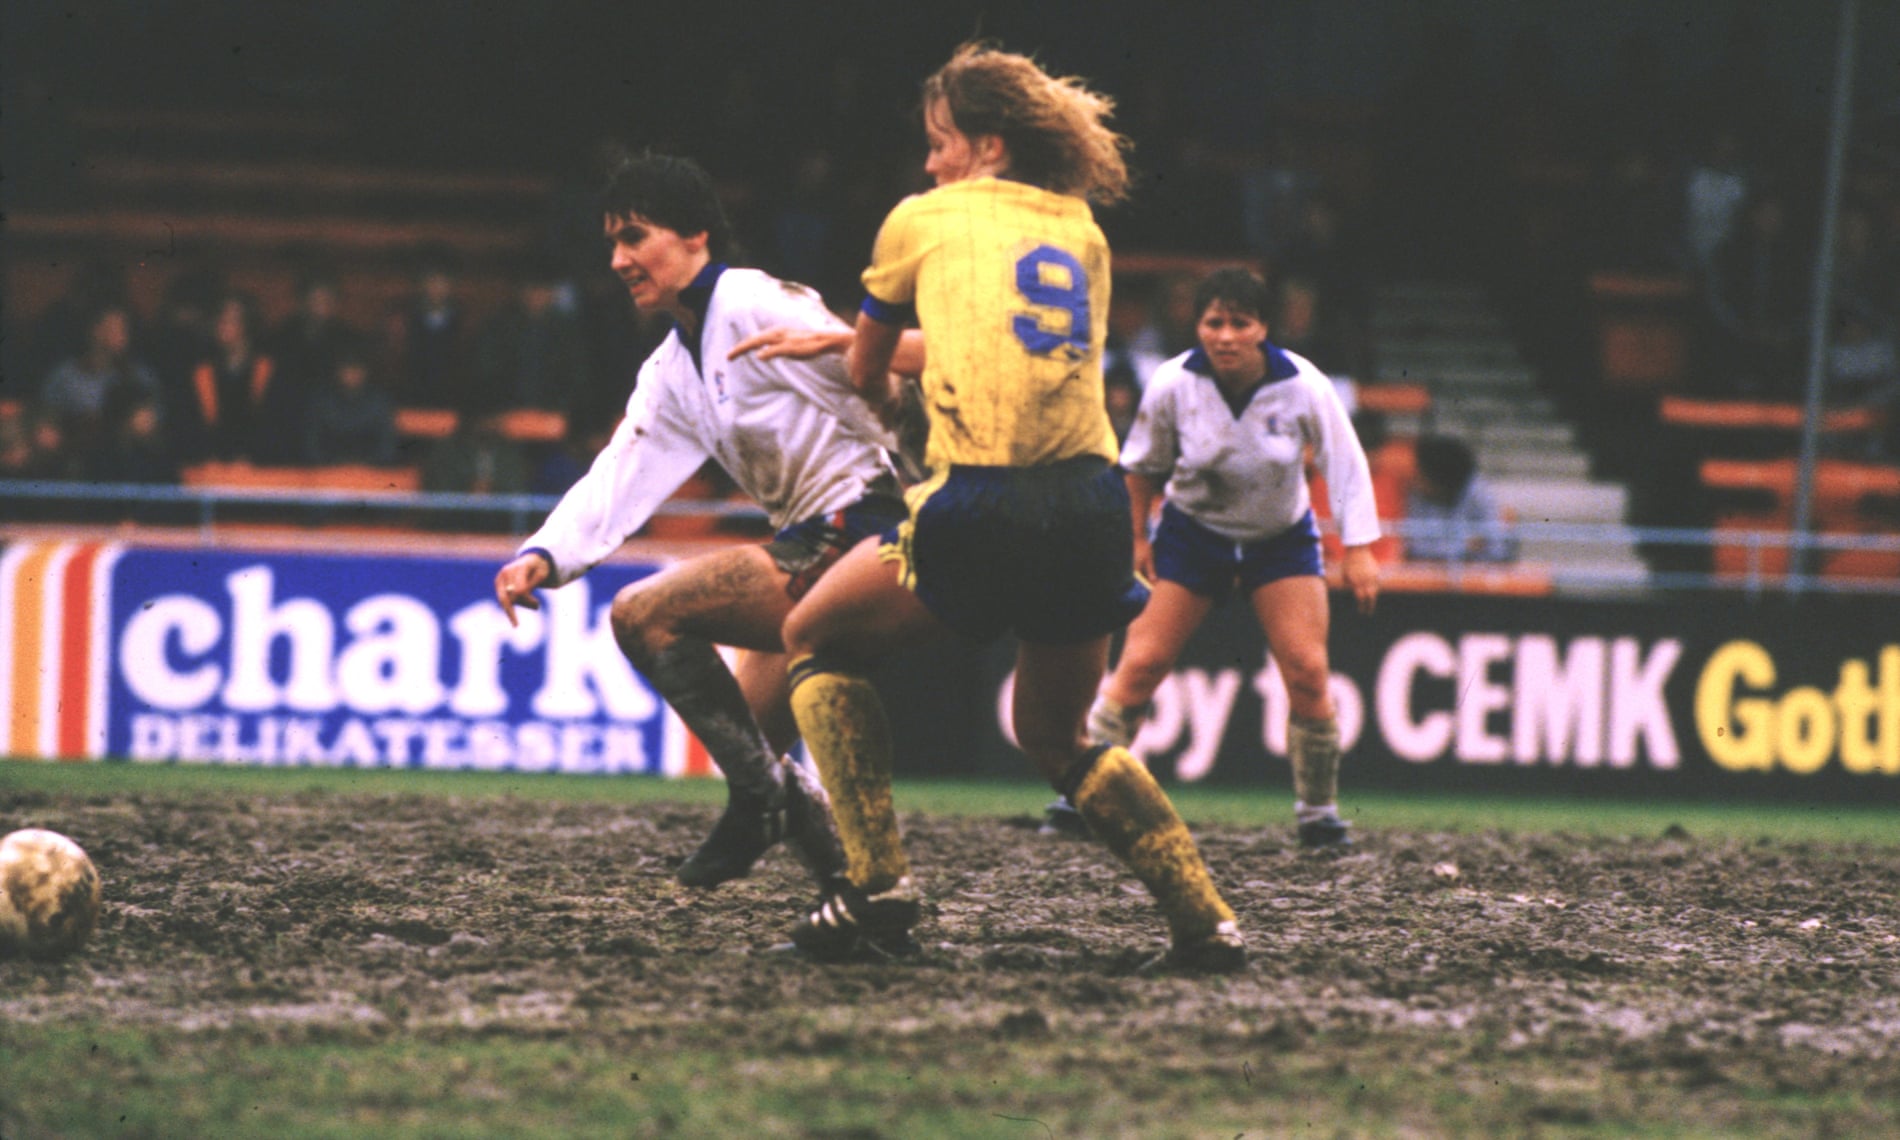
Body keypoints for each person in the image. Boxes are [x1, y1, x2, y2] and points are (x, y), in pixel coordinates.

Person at [771, 43, 1245, 971]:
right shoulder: (1082, 230)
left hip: (981, 499)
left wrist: (875, 392)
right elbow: (995, 342)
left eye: (940, 141)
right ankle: (1204, 922)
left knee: (814, 637)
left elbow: (867, 368)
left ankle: (874, 889)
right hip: (1088, 503)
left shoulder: (921, 218)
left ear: (986, 147)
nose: (929, 161)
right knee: (1056, 734)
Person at [493, 151, 915, 895]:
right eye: (613, 243)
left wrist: (935, 498)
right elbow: (624, 469)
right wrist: (545, 554)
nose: (619, 259)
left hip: (860, 528)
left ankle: (763, 809)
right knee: (751, 741)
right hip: (811, 537)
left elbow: (871, 384)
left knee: (644, 615)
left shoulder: (753, 301)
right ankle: (867, 902)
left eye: (635, 236)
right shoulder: (672, 368)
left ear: (696, 235)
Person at [1041, 267, 1381, 850]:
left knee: (1307, 671)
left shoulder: (1304, 385)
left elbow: (1344, 462)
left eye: (1239, 324)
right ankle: (1081, 794)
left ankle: (1318, 812)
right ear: (1197, 325)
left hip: (1280, 539)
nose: (1225, 336)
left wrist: (1359, 550)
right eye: (1213, 322)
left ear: (1263, 329)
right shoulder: (1174, 382)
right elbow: (1141, 467)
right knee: (1140, 667)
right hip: (1193, 535)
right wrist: (1138, 539)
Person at [1405, 435, 1518, 563]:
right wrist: (1464, 546)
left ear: (1439, 478)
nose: (1415, 480)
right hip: (1430, 573)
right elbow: (1415, 547)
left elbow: (1497, 550)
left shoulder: (1479, 493)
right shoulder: (1418, 496)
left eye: (1421, 476)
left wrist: (1451, 550)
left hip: (1477, 573)